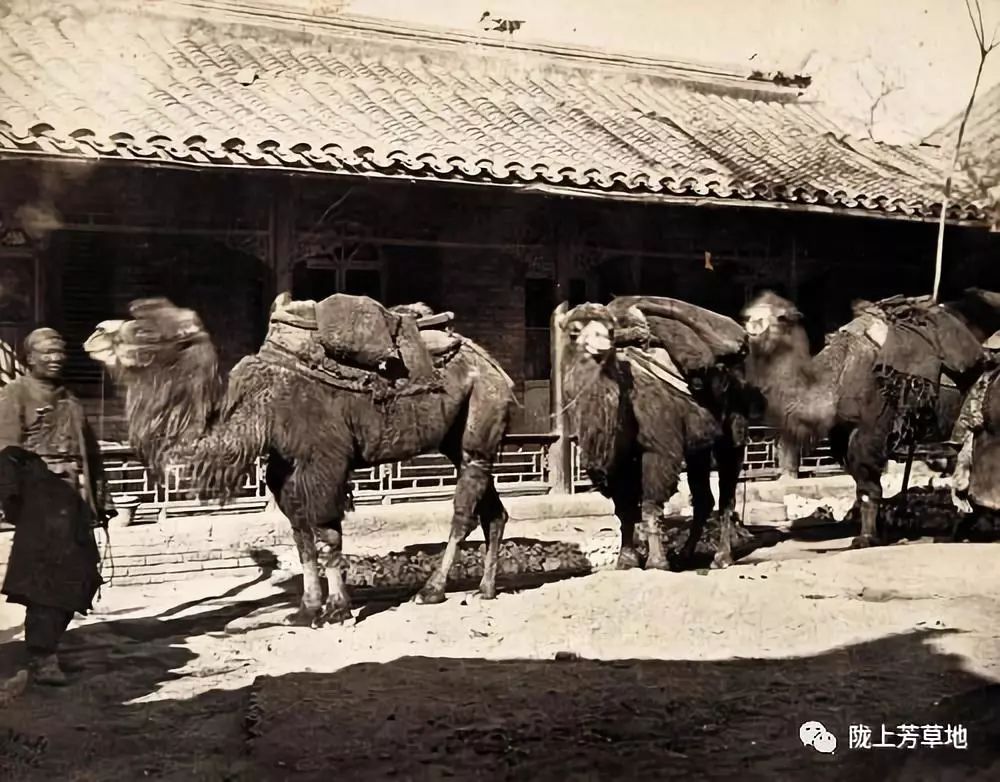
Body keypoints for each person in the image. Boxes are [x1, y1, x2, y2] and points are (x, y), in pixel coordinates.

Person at [0, 327, 112, 686]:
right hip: (41, 505)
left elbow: (90, 455)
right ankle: (41, 657)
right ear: (29, 357)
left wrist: (101, 500)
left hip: (74, 503)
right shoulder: (13, 396)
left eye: (60, 352)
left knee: (79, 576)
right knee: (44, 583)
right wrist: (15, 504)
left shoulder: (70, 401)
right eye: (46, 352)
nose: (55, 358)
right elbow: (6, 455)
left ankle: (50, 647)